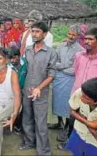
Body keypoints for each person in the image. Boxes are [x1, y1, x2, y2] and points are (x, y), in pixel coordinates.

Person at [57, 27, 97, 150]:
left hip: (93, 101)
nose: (87, 42)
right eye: (85, 39)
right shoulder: (79, 56)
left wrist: (96, 104)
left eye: (91, 39)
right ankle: (70, 142)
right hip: (77, 95)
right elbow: (77, 73)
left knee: (90, 127)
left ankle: (87, 147)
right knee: (73, 121)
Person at [20, 21, 57, 155]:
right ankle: (29, 142)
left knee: (40, 121)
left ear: (45, 34)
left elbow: (51, 75)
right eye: (32, 31)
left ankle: (44, 151)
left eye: (37, 32)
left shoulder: (51, 53)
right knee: (27, 117)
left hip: (41, 92)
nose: (34, 34)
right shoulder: (28, 50)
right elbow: (24, 69)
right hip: (27, 90)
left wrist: (39, 88)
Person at [48, 25, 84, 141]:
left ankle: (67, 128)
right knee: (56, 101)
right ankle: (59, 123)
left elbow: (75, 69)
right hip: (58, 79)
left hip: (69, 80)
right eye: (69, 34)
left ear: (78, 36)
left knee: (68, 105)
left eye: (74, 35)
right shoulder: (61, 45)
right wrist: (63, 66)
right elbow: (55, 60)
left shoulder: (80, 51)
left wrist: (60, 67)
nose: (71, 36)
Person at [65, 78, 97, 156]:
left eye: (86, 98)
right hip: (78, 132)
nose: (81, 98)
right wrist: (90, 124)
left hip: (94, 143)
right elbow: (71, 111)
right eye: (82, 94)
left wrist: (80, 117)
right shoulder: (82, 91)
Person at [7, 45, 27, 134]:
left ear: (19, 56)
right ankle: (15, 124)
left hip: (25, 89)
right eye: (10, 58)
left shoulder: (26, 63)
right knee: (16, 108)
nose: (12, 60)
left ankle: (20, 125)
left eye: (15, 58)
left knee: (25, 109)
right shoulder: (8, 67)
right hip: (13, 91)